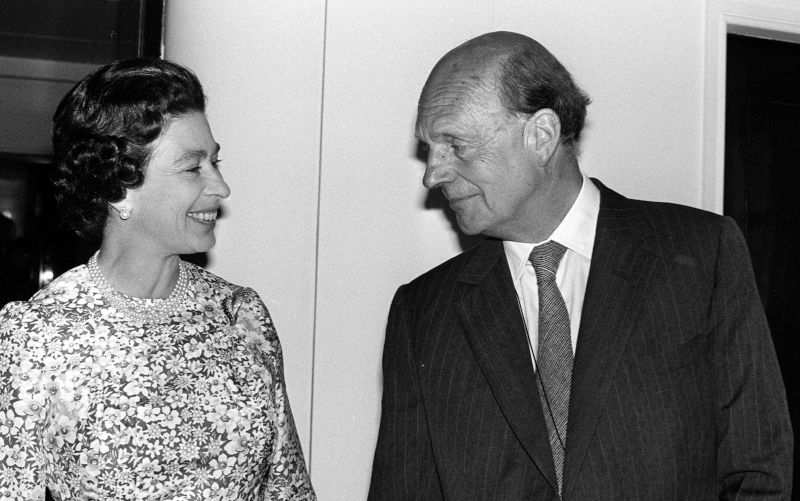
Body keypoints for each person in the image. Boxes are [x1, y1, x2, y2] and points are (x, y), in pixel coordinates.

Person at [369, 31, 792, 500]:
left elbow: (758, 473)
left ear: (542, 135)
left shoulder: (701, 255)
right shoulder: (422, 312)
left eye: (455, 144)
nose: (434, 173)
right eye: (429, 148)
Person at [0, 58, 315, 500]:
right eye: (193, 168)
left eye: (215, 162)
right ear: (118, 188)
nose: (221, 187)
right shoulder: (37, 336)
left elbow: (288, 489)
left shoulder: (240, 315)